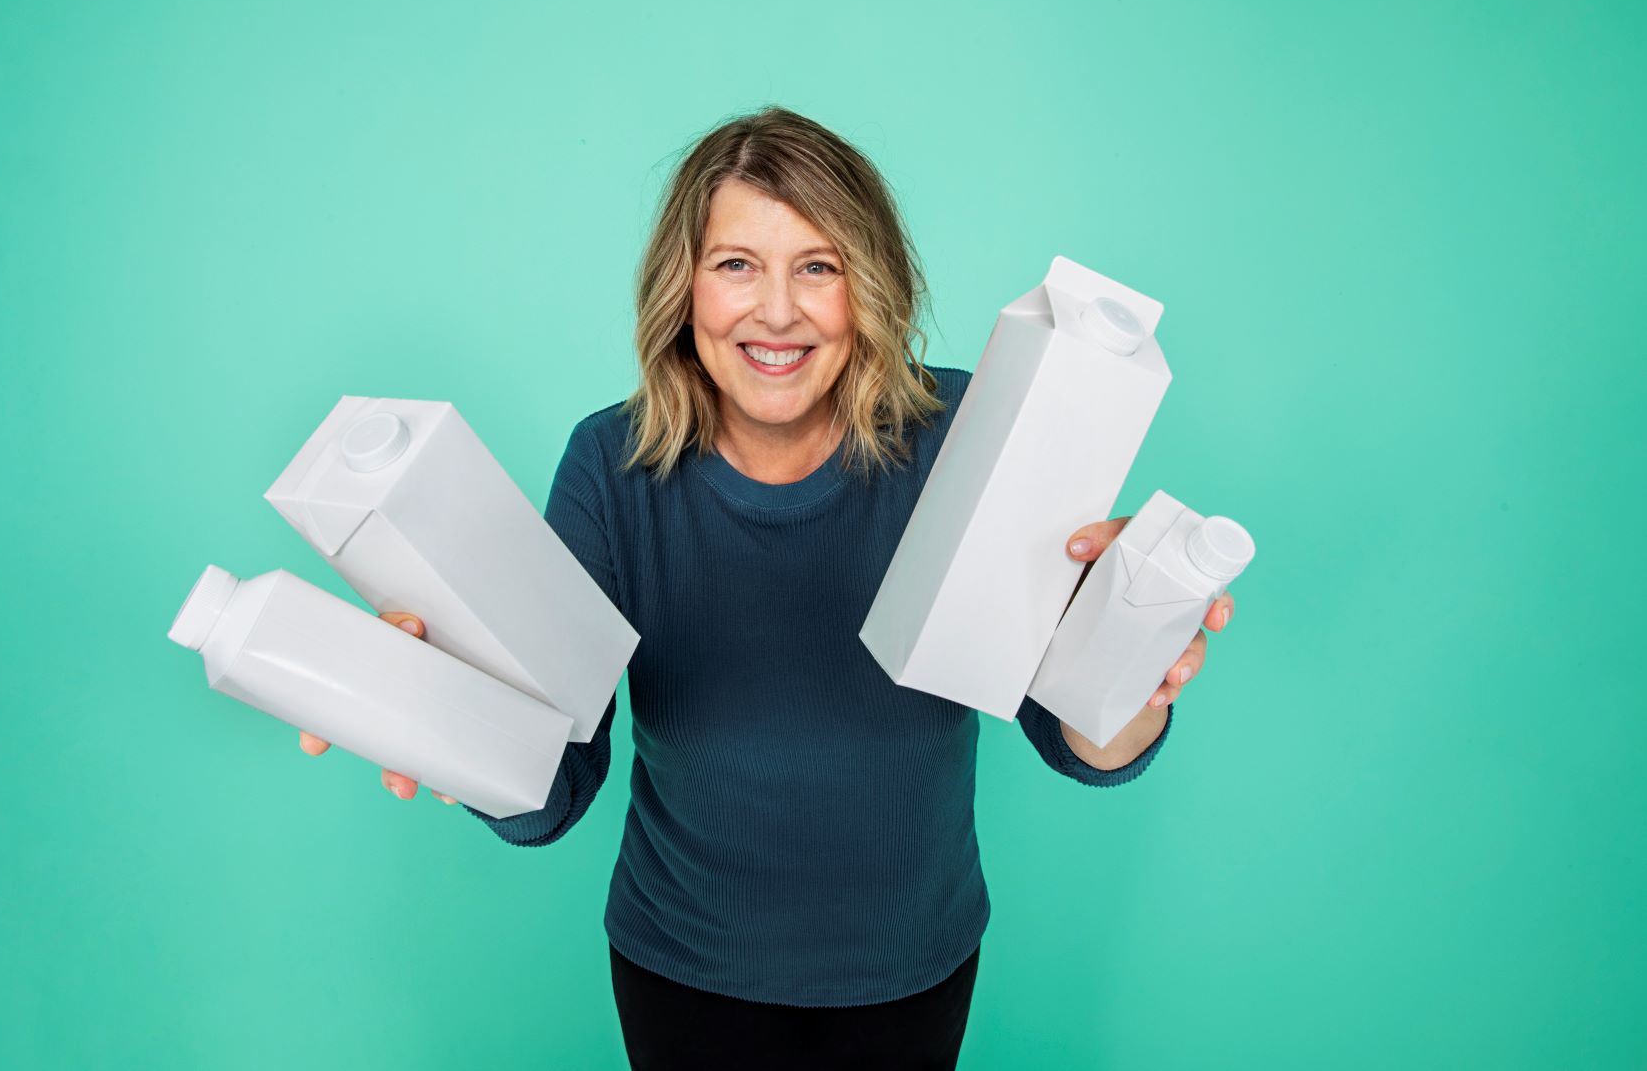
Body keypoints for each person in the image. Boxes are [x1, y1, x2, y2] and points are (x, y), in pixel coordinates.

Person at [296, 107, 1238, 1069]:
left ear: (868, 288)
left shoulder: (965, 434)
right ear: (685, 288)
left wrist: (1132, 660)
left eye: (818, 267)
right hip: (684, 977)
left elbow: (1082, 744)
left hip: (912, 970)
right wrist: (443, 711)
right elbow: (550, 798)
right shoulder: (611, 467)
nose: (777, 312)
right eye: (736, 264)